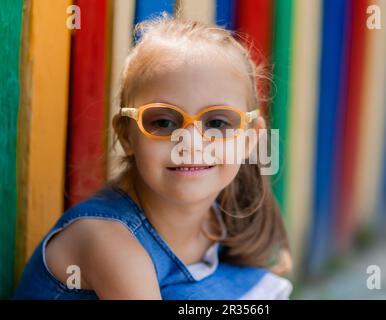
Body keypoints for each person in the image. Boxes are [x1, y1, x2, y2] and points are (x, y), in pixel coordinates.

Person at [14, 14, 293, 300]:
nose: (191, 144)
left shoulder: (220, 216)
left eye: (218, 123)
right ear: (126, 135)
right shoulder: (108, 241)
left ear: (250, 138)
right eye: (163, 122)